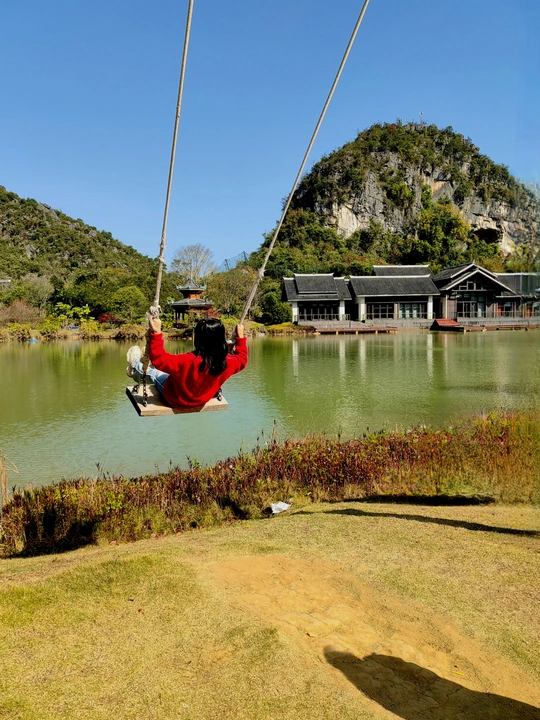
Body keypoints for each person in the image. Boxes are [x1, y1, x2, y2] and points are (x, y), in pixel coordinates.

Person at [126, 317, 247, 409]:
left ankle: (135, 364)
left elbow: (159, 359)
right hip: (202, 399)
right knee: (167, 370)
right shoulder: (227, 362)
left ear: (197, 339)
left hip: (174, 398)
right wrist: (240, 338)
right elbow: (242, 359)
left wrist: (156, 332)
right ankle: (143, 362)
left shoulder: (187, 361)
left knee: (155, 373)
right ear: (221, 339)